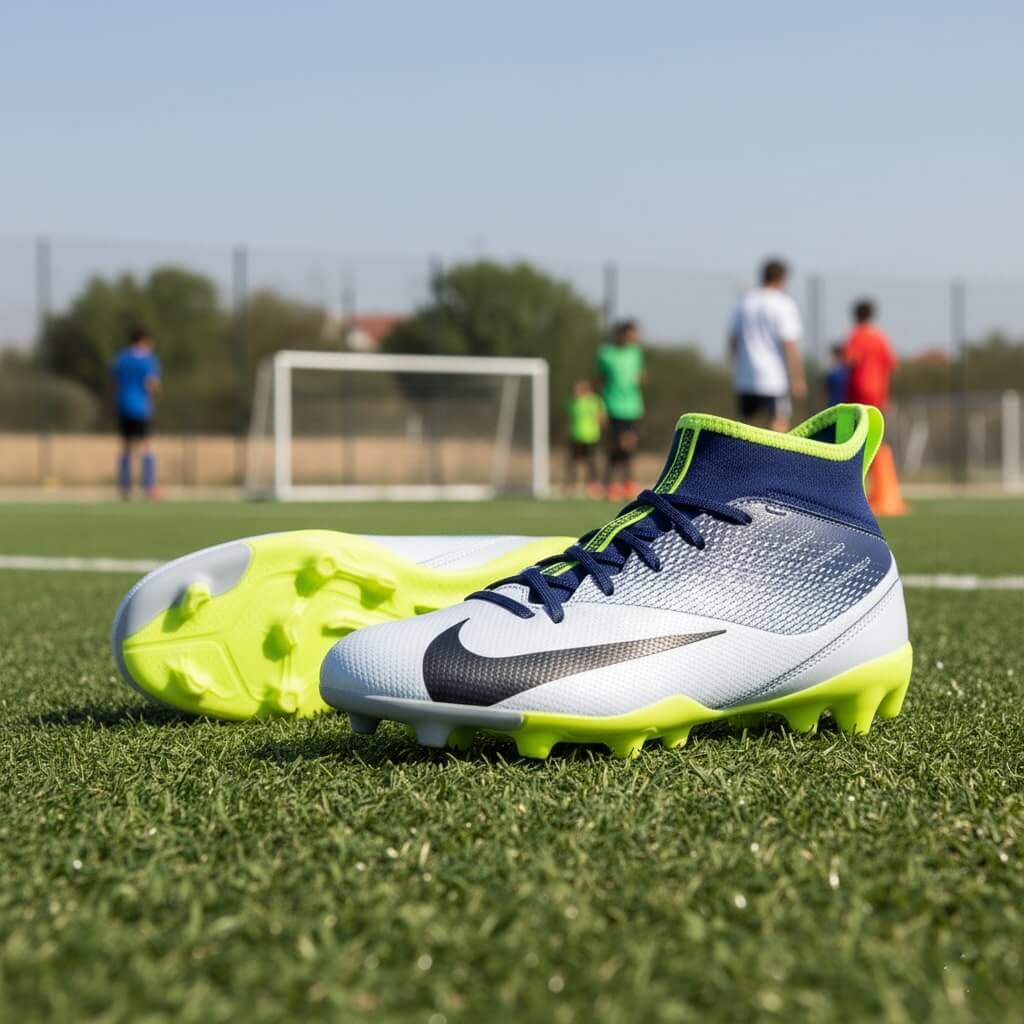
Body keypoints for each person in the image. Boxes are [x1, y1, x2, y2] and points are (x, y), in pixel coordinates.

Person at [729, 258, 806, 431]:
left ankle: (744, 458)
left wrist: (737, 367)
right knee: (778, 425)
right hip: (773, 378)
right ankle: (775, 459)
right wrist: (797, 379)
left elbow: (733, 339)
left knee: (745, 428)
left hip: (746, 376)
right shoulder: (783, 303)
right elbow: (789, 344)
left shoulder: (745, 301)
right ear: (783, 278)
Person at [596, 318, 646, 498]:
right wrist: (599, 407)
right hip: (612, 405)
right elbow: (599, 380)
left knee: (629, 445)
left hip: (632, 407)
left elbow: (640, 376)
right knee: (615, 447)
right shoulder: (606, 353)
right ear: (622, 334)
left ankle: (627, 483)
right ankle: (609, 484)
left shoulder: (636, 353)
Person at [111, 326, 161, 499]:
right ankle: (149, 488)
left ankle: (125, 488)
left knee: (126, 446)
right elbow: (151, 384)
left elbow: (115, 383)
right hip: (140, 407)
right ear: (144, 341)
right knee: (146, 446)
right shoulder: (147, 359)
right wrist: (154, 391)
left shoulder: (121, 358)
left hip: (123, 405)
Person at [843, 299, 897, 411]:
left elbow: (851, 361)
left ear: (855, 315)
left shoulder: (856, 335)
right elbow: (890, 364)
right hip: (878, 390)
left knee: (859, 424)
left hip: (859, 389)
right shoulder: (881, 337)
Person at [565, 378, 605, 497]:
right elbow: (569, 419)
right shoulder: (572, 402)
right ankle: (572, 487)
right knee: (573, 463)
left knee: (591, 464)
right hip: (576, 437)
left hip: (591, 437)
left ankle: (593, 488)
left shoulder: (594, 401)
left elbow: (602, 418)